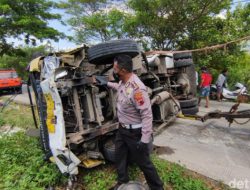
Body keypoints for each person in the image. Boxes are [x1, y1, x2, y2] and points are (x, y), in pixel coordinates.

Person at [96, 54, 164, 190]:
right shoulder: (124, 82)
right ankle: (122, 181)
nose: (113, 72)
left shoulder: (137, 89)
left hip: (135, 133)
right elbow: (119, 88)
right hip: (123, 129)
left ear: (123, 70)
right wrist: (106, 83)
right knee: (120, 155)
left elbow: (147, 115)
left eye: (115, 69)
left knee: (144, 163)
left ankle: (157, 187)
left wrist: (145, 139)